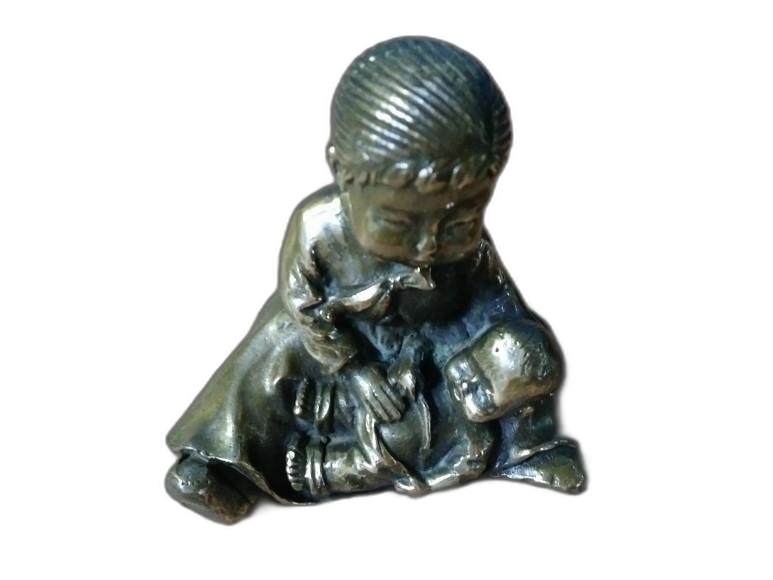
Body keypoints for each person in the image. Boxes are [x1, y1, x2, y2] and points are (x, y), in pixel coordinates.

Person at [165, 36, 584, 524]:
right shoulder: (319, 229)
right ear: (341, 172)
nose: (427, 246)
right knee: (274, 342)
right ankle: (215, 462)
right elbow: (303, 304)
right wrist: (355, 369)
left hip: (430, 354)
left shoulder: (474, 253)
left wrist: (517, 359)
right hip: (331, 343)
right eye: (398, 225)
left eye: (458, 222)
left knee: (508, 374)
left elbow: (500, 312)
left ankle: (521, 452)